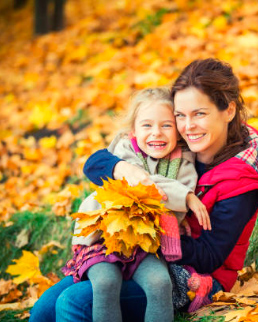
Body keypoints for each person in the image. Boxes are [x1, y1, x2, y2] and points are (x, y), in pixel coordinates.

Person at [30, 58, 258, 322]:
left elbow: (210, 256)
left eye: (199, 114)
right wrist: (125, 170)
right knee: (44, 309)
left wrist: (153, 229)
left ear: (228, 111)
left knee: (74, 303)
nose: (188, 126)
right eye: (180, 115)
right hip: (136, 252)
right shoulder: (177, 148)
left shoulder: (240, 183)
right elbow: (96, 162)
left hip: (193, 275)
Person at [59, 87, 211, 322]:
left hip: (145, 245)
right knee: (106, 283)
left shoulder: (184, 161)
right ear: (133, 130)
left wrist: (180, 200)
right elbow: (144, 185)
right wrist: (186, 196)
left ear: (178, 131)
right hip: (105, 241)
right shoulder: (125, 150)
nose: (156, 134)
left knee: (160, 283)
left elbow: (171, 201)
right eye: (147, 125)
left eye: (166, 125)